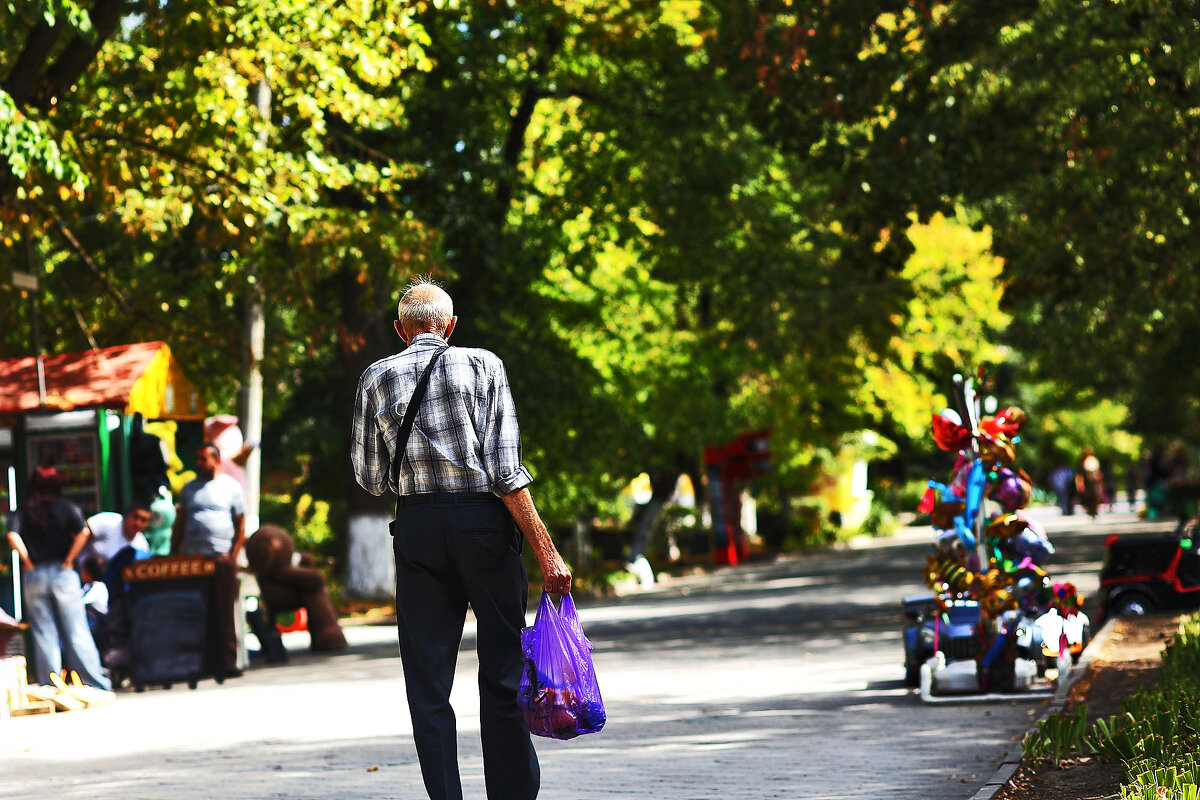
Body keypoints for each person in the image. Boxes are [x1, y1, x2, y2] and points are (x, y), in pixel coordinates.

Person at [352, 279, 571, 800]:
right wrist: (546, 550)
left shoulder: (375, 377)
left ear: (401, 330)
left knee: (427, 683)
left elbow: (369, 477)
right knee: (501, 670)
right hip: (483, 527)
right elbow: (506, 470)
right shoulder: (483, 365)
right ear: (450, 325)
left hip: (418, 531)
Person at [4, 466, 111, 689]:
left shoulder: (23, 509)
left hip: (35, 575)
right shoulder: (66, 507)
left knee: (44, 632)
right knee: (76, 629)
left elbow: (12, 535)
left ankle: (51, 686)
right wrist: (69, 559)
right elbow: (83, 532)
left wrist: (27, 561)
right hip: (63, 573)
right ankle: (94, 683)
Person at [171, 443, 247, 678]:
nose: (199, 463)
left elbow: (240, 524)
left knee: (223, 610)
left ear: (216, 459)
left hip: (221, 556)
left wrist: (232, 556)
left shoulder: (230, 487)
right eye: (198, 459)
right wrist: (175, 555)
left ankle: (227, 662)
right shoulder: (189, 489)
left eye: (204, 459)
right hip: (194, 559)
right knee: (195, 611)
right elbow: (180, 523)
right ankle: (198, 663)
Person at [78, 504, 152, 570]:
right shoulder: (110, 521)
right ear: (127, 515)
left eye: (143, 520)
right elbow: (80, 533)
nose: (138, 523)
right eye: (135, 517)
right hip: (78, 570)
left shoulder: (142, 546)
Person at [1076, 447, 1105, 520]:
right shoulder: (1081, 463)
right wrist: (1079, 484)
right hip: (1087, 484)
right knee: (1087, 498)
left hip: (1095, 483)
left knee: (1096, 497)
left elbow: (1098, 473)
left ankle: (1095, 511)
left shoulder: (1093, 461)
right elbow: (1080, 475)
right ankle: (1090, 511)